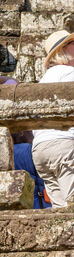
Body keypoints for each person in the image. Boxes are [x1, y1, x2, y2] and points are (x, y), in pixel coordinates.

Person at [31, 30, 74, 208]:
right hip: (63, 145)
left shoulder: (44, 79)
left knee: (60, 212)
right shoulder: (68, 74)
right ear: (62, 50)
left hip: (41, 150)